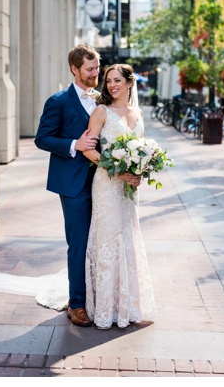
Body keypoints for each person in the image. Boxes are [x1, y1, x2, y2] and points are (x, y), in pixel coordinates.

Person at [80, 63, 156, 329]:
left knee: (127, 238)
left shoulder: (138, 112)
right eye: (108, 81)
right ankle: (104, 306)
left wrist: (139, 171)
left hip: (128, 190)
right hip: (106, 185)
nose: (112, 85)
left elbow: (142, 150)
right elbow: (88, 150)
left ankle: (126, 304)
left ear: (129, 83)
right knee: (107, 240)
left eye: (117, 81)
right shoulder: (101, 112)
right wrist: (118, 171)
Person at [34, 44, 103, 327]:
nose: (95, 73)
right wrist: (75, 144)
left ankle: (102, 297)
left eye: (97, 67)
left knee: (102, 242)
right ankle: (77, 304)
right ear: (74, 69)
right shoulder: (58, 101)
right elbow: (42, 138)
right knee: (78, 244)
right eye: (90, 69)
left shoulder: (104, 100)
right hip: (73, 184)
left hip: (104, 183)